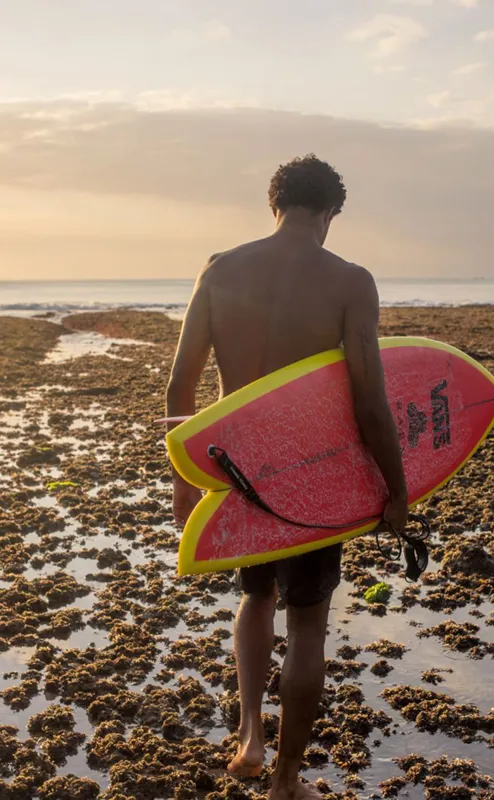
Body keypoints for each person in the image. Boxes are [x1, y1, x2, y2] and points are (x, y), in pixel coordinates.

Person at [165, 154, 408, 799]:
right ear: (330, 213)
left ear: (274, 206)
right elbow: (370, 400)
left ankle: (249, 736)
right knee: (308, 623)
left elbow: (180, 383)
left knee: (255, 598)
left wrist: (183, 479)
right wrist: (397, 489)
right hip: (313, 478)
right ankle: (286, 781)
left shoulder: (220, 270)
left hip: (238, 471)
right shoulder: (350, 281)